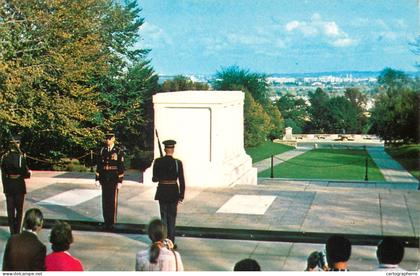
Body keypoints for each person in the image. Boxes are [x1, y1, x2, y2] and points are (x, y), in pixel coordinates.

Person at [152, 139, 185, 244]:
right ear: (173, 149)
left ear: (164, 149)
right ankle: (171, 241)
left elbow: (154, 179)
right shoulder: (177, 163)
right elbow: (181, 180)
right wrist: (181, 195)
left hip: (162, 191)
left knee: (164, 218)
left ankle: (164, 240)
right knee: (172, 218)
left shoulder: (158, 161)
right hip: (173, 192)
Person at [1, 136, 31, 235]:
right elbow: (24, 173)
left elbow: (3, 175)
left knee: (10, 211)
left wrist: (5, 188)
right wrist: (29, 173)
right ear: (18, 144)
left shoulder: (4, 157)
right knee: (19, 211)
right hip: (19, 185)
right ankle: (17, 232)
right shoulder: (20, 157)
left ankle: (12, 233)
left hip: (9, 186)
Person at [95, 132, 125, 231]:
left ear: (113, 139)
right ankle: (106, 221)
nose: (107, 140)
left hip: (113, 178)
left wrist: (120, 180)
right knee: (105, 201)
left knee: (112, 201)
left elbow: (121, 167)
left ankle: (112, 222)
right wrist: (97, 178)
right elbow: (99, 165)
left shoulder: (118, 151)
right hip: (104, 178)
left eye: (109, 138)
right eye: (106, 138)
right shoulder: (102, 150)